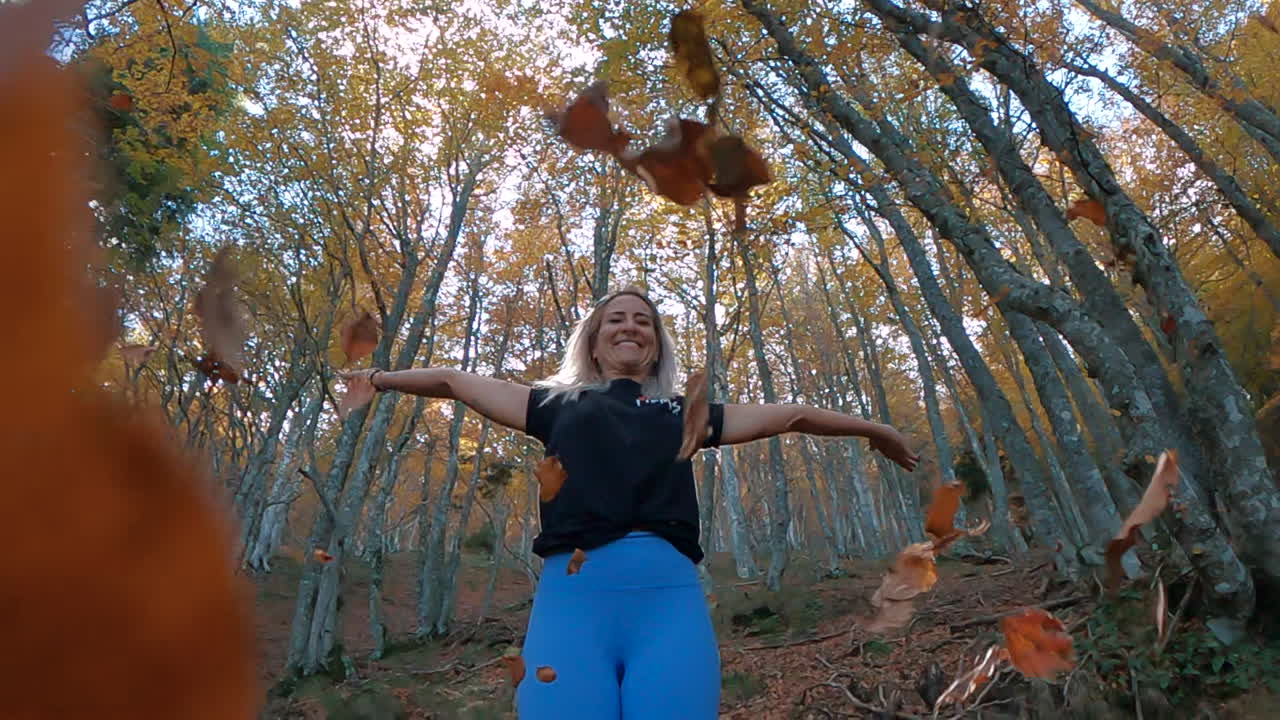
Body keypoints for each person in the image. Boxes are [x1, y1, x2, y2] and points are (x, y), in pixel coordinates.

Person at [339, 286, 918, 719]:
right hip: (573, 605)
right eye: (615, 318)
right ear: (593, 338)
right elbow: (448, 380)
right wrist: (378, 378)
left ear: (656, 342)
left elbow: (794, 415)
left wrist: (874, 429)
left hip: (669, 610)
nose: (630, 326)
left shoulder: (686, 416)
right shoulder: (553, 404)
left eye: (644, 321)